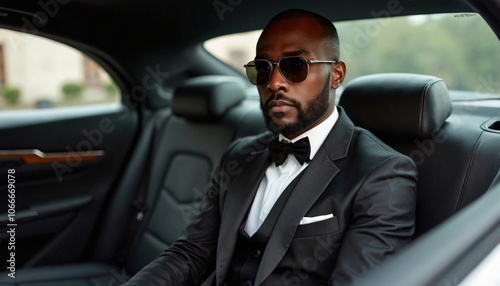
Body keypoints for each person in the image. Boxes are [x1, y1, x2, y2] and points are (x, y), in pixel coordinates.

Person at [125, 9, 417, 286]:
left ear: (336, 75)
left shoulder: (382, 175)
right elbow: (191, 254)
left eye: (295, 66)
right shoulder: (239, 156)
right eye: (262, 69)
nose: (275, 82)